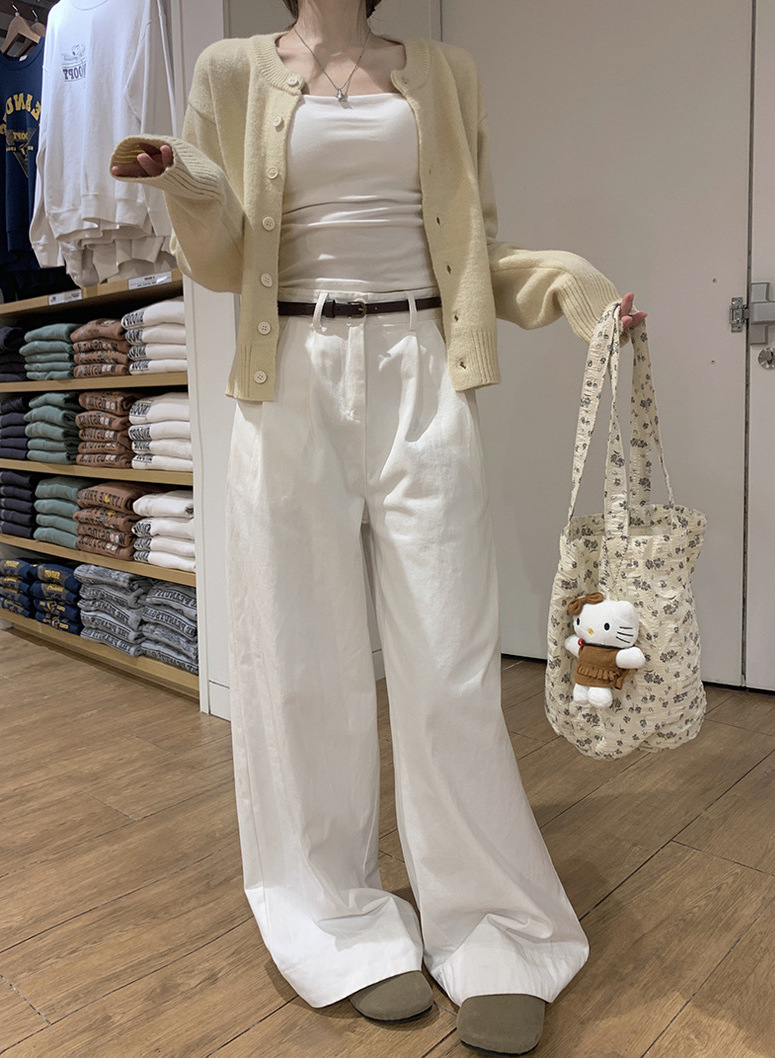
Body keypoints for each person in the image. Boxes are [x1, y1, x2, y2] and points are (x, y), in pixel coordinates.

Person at [111, 1, 646, 1053]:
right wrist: (189, 183)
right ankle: (337, 922)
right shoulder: (231, 70)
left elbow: (471, 247)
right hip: (287, 376)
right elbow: (219, 260)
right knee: (300, 665)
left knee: (449, 663)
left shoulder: (444, 72)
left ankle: (495, 931)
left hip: (423, 370)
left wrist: (562, 285)